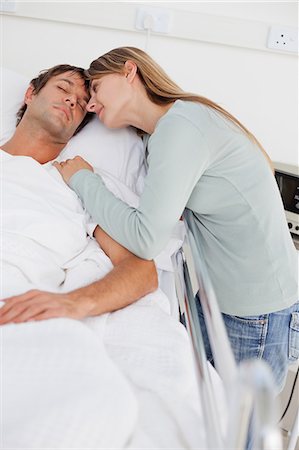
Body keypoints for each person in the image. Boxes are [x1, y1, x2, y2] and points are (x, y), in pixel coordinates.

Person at [54, 46, 298, 393]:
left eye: (94, 88)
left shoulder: (180, 127)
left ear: (129, 71)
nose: (90, 104)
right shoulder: (164, 133)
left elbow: (145, 238)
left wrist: (83, 179)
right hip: (219, 300)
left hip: (258, 313)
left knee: (235, 438)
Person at [0, 63, 158, 325]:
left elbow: (142, 270)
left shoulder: (77, 181)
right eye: (63, 87)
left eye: (83, 104)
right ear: (30, 94)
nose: (72, 99)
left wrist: (74, 302)